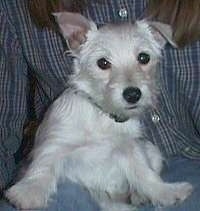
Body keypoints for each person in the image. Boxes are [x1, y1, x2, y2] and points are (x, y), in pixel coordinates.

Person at [0, 0, 199, 210]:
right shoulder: (66, 113)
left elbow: (130, 150)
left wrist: (156, 188)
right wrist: (35, 183)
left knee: (146, 153)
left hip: (185, 159)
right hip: (66, 184)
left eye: (142, 58)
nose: (130, 82)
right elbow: (47, 151)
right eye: (104, 64)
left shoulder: (126, 122)